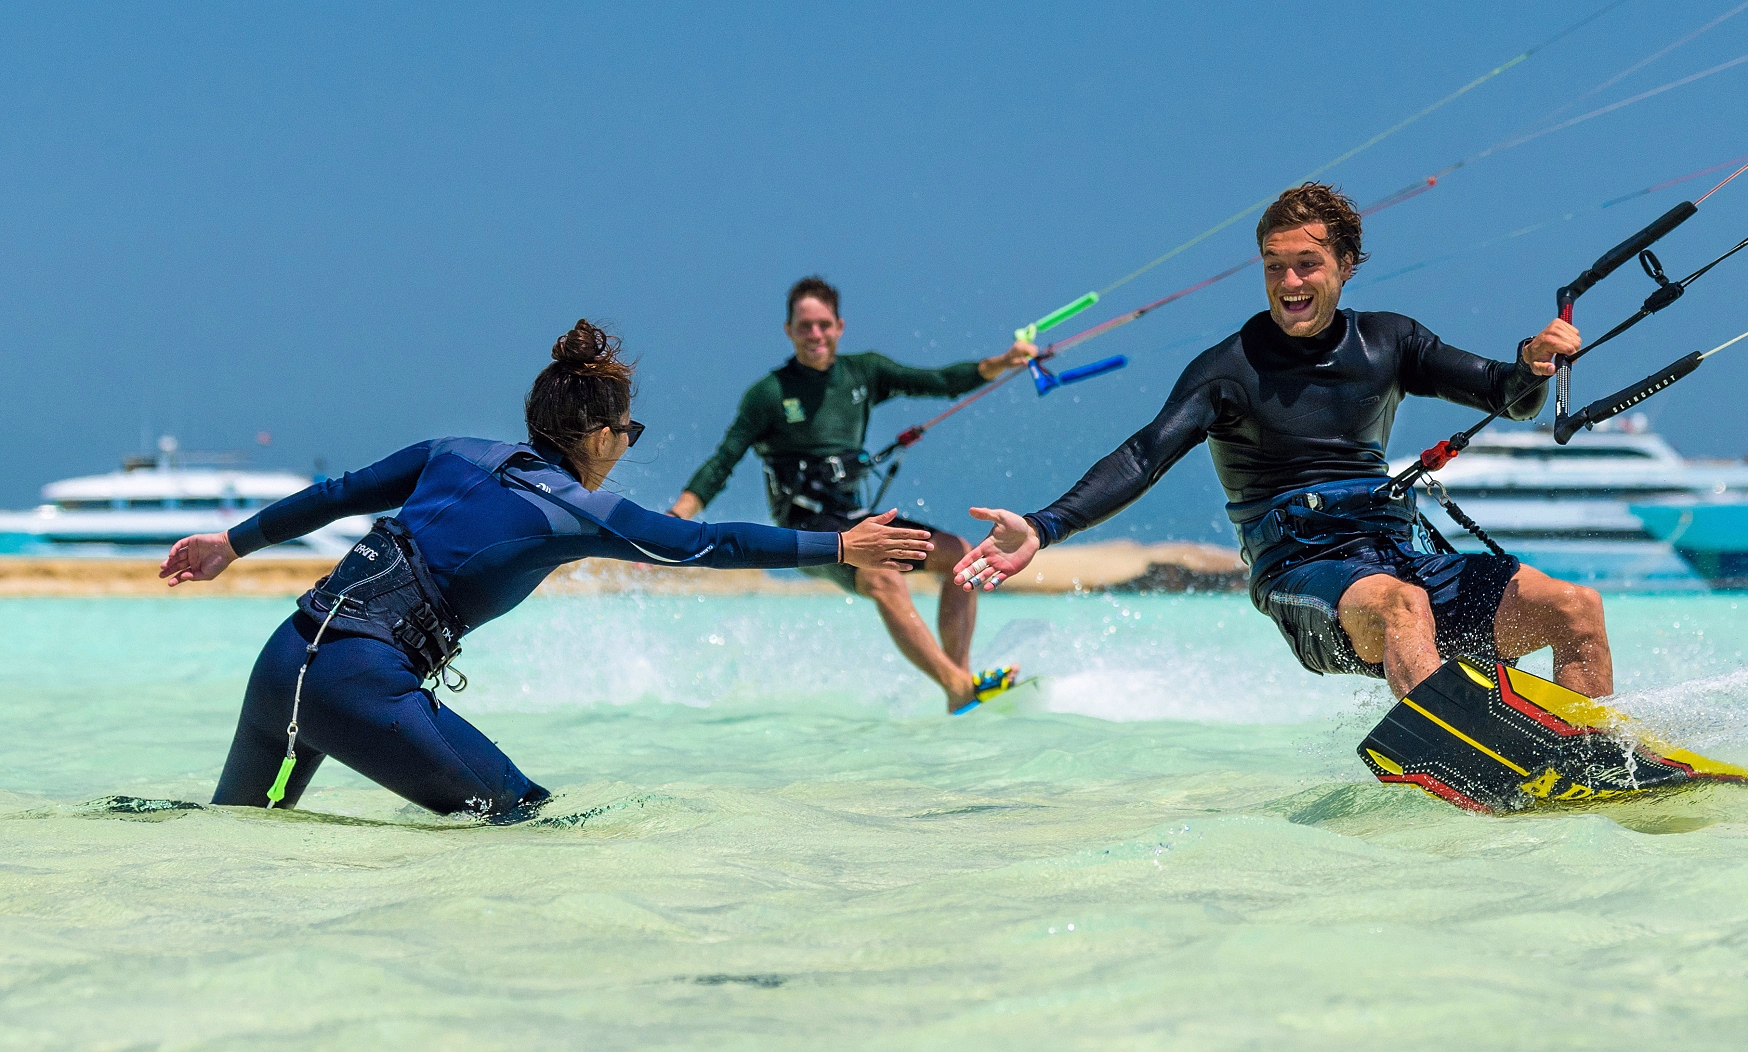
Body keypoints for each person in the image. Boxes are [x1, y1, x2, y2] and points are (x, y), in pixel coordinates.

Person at [160, 320, 933, 821]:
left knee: (235, 836)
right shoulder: (575, 510)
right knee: (520, 815)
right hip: (359, 685)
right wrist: (838, 547)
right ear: (597, 434)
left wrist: (231, 544)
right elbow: (705, 546)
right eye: (627, 429)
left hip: (286, 656)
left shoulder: (451, 451)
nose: (628, 442)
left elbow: (338, 495)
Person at [952, 184, 1614, 702]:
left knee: (1573, 608)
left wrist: (1531, 362)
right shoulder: (1229, 368)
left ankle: (1594, 758)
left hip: (1395, 555)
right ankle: (1451, 758)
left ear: (1347, 265)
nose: (1290, 283)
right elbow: (1142, 455)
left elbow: (1508, 397)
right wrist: (1044, 527)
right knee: (1400, 606)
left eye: (1307, 264)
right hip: (1304, 577)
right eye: (1275, 266)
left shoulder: (1390, 341)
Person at [667, 276, 1037, 713]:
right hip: (807, 532)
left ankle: (960, 686)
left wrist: (1003, 362)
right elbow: (723, 460)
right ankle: (958, 687)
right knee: (883, 577)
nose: (815, 335)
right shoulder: (768, 394)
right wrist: (677, 517)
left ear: (840, 327)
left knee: (963, 558)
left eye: (823, 324)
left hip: (858, 517)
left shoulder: (865, 372)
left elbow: (939, 381)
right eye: (805, 326)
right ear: (789, 331)